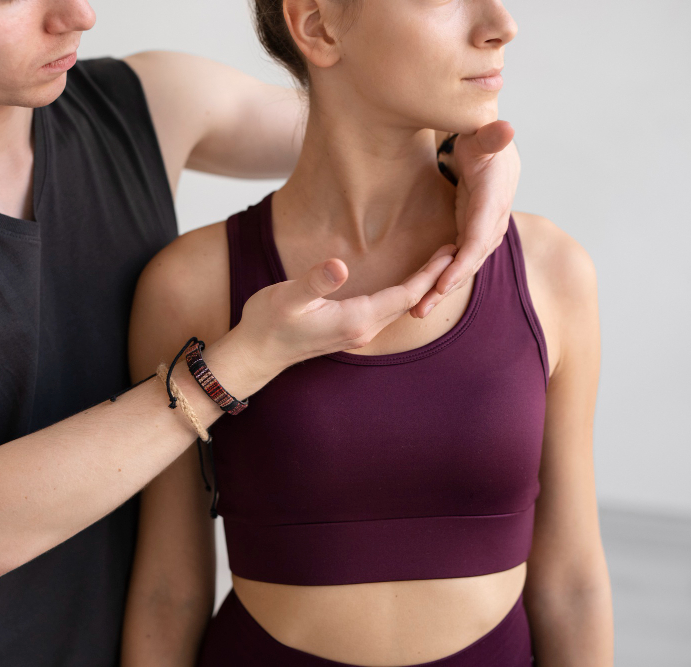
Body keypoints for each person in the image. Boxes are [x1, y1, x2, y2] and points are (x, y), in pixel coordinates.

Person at [0, 0, 520, 665]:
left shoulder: (148, 102)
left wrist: (480, 153)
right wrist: (239, 361)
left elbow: (373, 115)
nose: (78, 15)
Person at [121, 0, 612, 665]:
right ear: (319, 24)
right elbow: (168, 591)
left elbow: (574, 585)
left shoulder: (552, 274)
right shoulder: (190, 286)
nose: (501, 23)